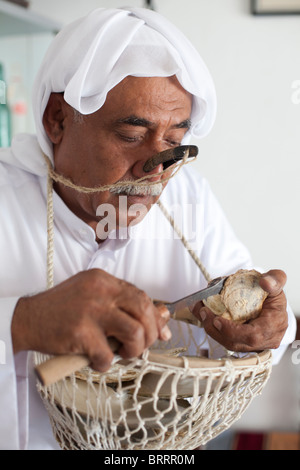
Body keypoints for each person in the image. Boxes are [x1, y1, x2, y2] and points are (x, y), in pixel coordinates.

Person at [0, 7, 296, 450]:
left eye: (174, 143)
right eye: (132, 136)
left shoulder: (187, 198)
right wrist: (22, 321)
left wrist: (270, 329)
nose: (156, 170)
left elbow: (255, 312)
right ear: (58, 119)